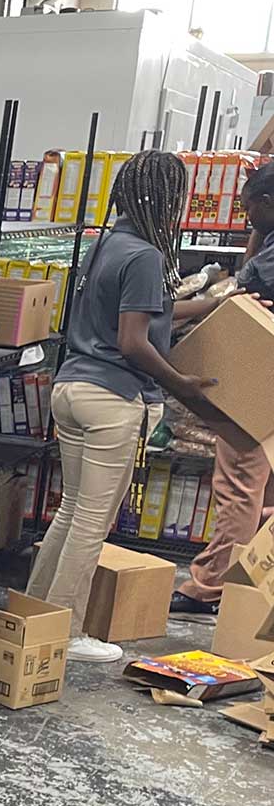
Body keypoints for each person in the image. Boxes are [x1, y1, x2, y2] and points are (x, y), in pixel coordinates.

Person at [26, 150, 246, 663]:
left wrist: (216, 305)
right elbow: (133, 340)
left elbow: (153, 310)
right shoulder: (146, 254)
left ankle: (36, 614)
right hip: (112, 399)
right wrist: (181, 385)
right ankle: (64, 631)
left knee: (71, 512)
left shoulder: (108, 242)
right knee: (91, 522)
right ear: (168, 199)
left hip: (72, 390)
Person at [171, 162, 274, 617]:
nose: (246, 217)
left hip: (257, 378)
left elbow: (247, 284)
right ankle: (254, 580)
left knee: (238, 483)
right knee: (264, 491)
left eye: (250, 208)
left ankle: (209, 587)